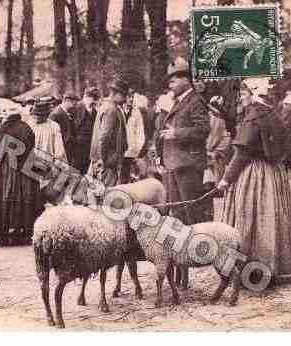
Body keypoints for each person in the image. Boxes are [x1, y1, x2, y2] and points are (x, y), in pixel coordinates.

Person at [218, 78, 291, 287]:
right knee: (271, 219)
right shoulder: (273, 114)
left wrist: (225, 179)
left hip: (255, 173)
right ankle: (272, 266)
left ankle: (252, 269)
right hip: (273, 174)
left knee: (251, 218)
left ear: (254, 94)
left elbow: (242, 154)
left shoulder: (253, 118)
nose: (241, 98)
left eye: (243, 94)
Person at [156, 58, 211, 289]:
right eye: (170, 79)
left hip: (187, 167)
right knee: (175, 218)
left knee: (188, 217)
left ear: (186, 80)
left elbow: (203, 130)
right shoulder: (178, 102)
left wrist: (177, 133)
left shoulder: (195, 101)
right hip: (173, 166)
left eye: (174, 78)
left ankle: (190, 264)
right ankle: (180, 270)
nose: (170, 83)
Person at [0, 105, 40, 246]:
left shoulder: (1, 129)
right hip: (23, 168)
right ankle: (21, 233)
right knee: (23, 197)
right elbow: (30, 147)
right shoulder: (26, 128)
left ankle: (2, 234)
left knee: (2, 195)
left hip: (4, 169)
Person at [26, 98, 68, 204]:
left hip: (31, 168)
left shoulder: (28, 125)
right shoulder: (53, 126)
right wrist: (61, 168)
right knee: (47, 200)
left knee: (33, 200)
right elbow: (60, 153)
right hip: (47, 168)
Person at [89, 78, 130, 187]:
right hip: (108, 162)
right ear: (115, 93)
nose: (126, 99)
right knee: (107, 192)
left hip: (104, 160)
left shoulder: (106, 107)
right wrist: (102, 159)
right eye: (124, 95)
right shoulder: (111, 110)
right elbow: (104, 137)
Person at [121, 87, 147, 183]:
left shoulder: (136, 112)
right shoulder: (118, 110)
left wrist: (137, 149)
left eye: (132, 97)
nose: (131, 99)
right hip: (118, 152)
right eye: (128, 97)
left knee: (129, 177)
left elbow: (140, 132)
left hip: (131, 151)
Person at [73, 87, 100, 175]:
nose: (94, 102)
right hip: (76, 150)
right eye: (93, 99)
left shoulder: (95, 112)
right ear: (85, 96)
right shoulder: (76, 108)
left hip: (88, 150)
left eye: (96, 99)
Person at [48, 91, 78, 167]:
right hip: (61, 150)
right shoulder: (56, 114)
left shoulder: (68, 112)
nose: (74, 105)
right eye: (73, 103)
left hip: (68, 149)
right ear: (66, 100)